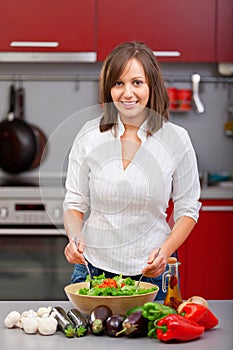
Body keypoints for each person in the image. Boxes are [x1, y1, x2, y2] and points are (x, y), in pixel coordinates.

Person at [63, 41, 201, 300]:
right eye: (118, 83)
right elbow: (74, 204)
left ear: (151, 86)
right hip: (93, 271)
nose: (127, 93)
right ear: (108, 89)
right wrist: (74, 238)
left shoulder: (176, 138)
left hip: (153, 273)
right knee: (87, 342)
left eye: (136, 82)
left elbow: (188, 208)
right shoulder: (89, 136)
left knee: (152, 340)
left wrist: (164, 252)